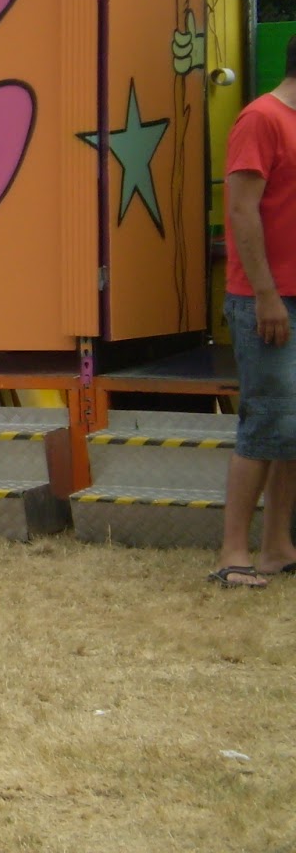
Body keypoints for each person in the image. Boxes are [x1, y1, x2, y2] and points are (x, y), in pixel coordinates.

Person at [214, 34, 296, 587]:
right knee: (266, 420)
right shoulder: (262, 118)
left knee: (291, 427)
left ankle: (276, 547)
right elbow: (241, 210)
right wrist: (265, 294)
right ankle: (232, 555)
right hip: (266, 297)